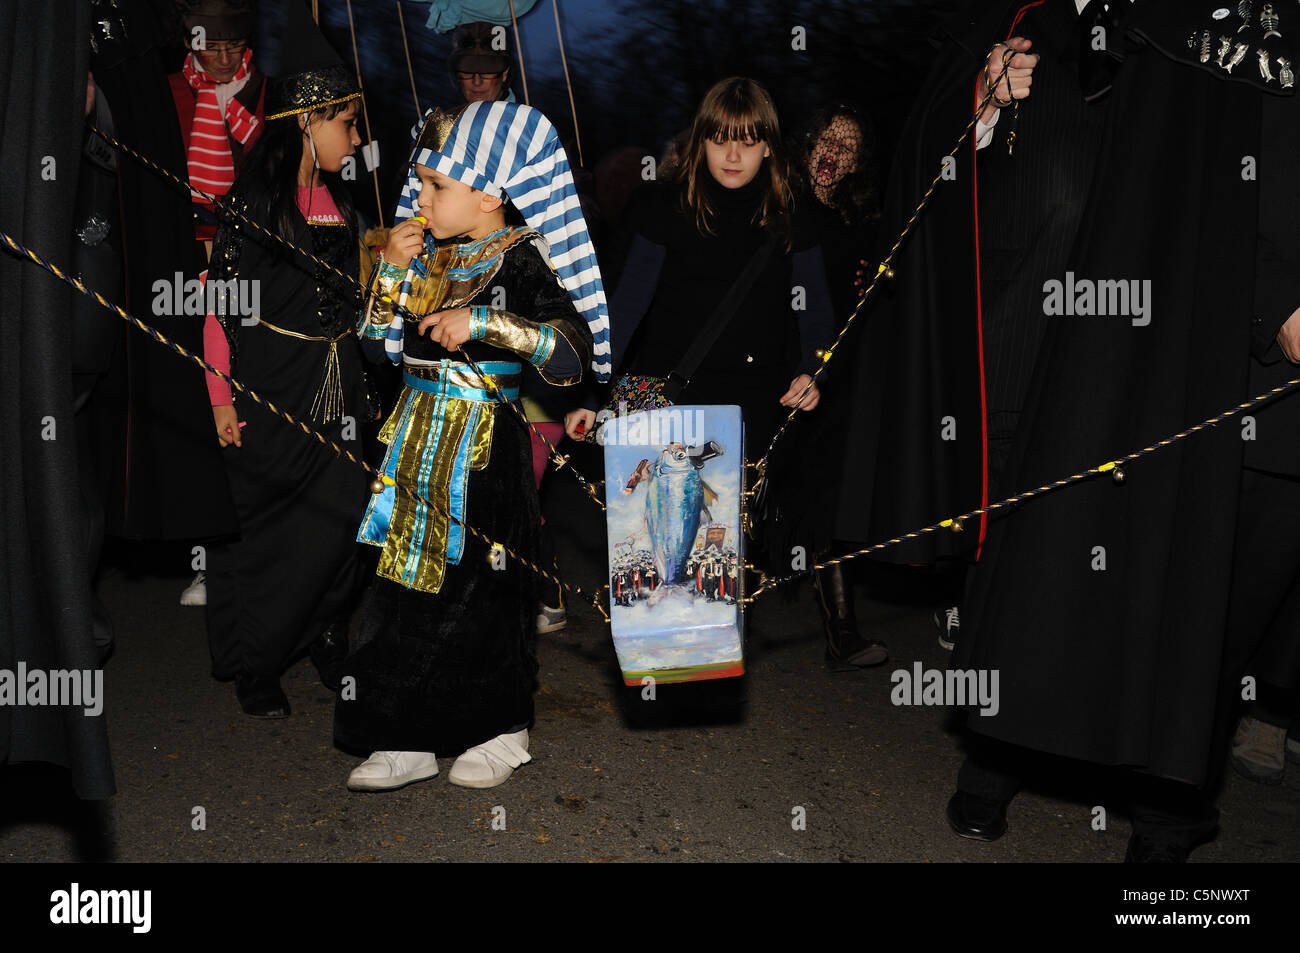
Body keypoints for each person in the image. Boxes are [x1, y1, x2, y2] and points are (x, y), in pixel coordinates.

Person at [840, 0, 1300, 861]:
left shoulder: (1234, 33)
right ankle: (994, 755)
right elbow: (928, 170)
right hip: (1042, 340)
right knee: (1034, 559)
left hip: (1181, 356)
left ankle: (1160, 796)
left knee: (1175, 586)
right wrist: (978, 105)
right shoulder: (1036, 18)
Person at [335, 99, 607, 792]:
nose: (419, 199)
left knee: (486, 590)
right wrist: (388, 275)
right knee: (401, 583)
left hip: (487, 452)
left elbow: (573, 354)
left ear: (489, 195)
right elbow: (375, 350)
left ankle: (500, 728)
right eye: (420, 183)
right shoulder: (424, 254)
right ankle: (405, 734)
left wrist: (487, 322)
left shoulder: (522, 257)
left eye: (435, 186)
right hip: (413, 441)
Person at [200, 0, 369, 718]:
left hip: (342, 385)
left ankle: (326, 630)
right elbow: (219, 306)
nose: (355, 140)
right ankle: (258, 661)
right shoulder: (254, 203)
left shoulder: (342, 201)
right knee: (271, 529)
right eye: (346, 123)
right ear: (307, 118)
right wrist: (219, 396)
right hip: (272, 387)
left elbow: (360, 301)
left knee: (347, 515)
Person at [564, 76, 831, 474]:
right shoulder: (662, 207)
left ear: (768, 146)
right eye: (720, 140)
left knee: (731, 516)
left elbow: (816, 312)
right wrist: (591, 395)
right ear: (701, 140)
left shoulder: (793, 216)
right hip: (667, 401)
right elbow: (625, 310)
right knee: (653, 514)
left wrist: (812, 371)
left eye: (748, 142)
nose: (733, 155)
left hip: (753, 406)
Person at [168, 0, 266, 609]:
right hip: (184, 260)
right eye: (212, 47)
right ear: (192, 42)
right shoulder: (170, 92)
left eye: (234, 46)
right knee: (199, 401)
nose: (224, 58)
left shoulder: (265, 93)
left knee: (246, 396)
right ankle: (208, 558)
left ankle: (259, 551)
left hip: (249, 257)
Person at [791, 102, 888, 670]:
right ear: (807, 144)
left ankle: (842, 632)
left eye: (846, 147)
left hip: (832, 377)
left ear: (856, 164)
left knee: (828, 494)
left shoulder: (861, 224)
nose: (832, 153)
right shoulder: (777, 207)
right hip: (772, 367)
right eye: (826, 140)